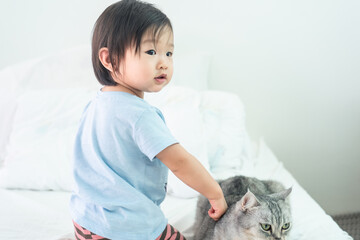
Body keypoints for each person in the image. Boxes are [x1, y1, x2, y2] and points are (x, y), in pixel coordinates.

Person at [69, 0, 228, 239]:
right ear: (109, 59)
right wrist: (215, 193)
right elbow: (180, 162)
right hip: (129, 227)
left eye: (169, 53)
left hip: (85, 222)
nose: (163, 62)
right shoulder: (140, 115)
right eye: (151, 52)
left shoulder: (95, 104)